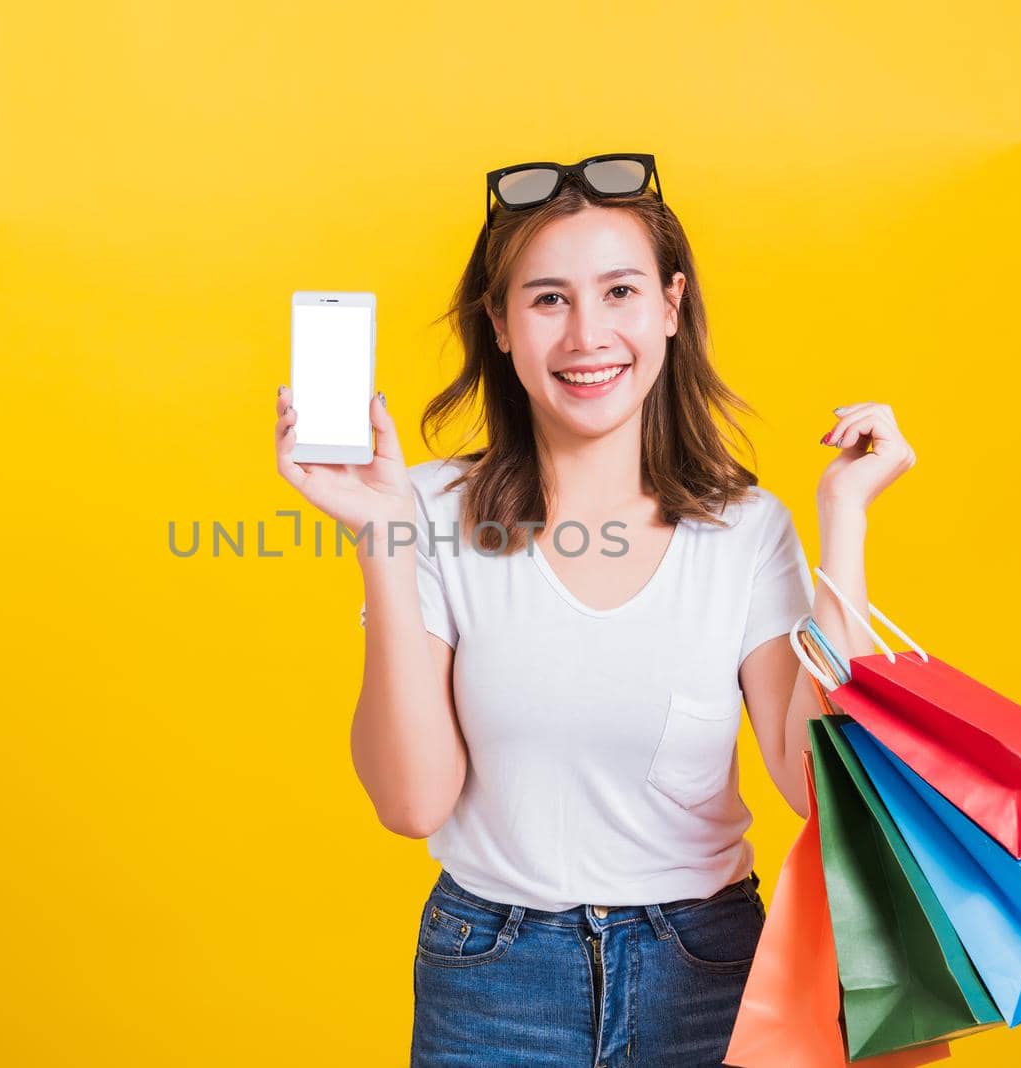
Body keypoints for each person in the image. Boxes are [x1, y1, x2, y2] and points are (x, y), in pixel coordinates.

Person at [272, 152, 916, 1067]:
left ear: (670, 305)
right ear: (497, 324)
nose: (587, 336)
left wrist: (842, 521)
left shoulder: (744, 528)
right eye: (547, 299)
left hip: (708, 971)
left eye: (619, 292)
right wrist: (381, 537)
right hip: (492, 978)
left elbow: (817, 786)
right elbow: (413, 802)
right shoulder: (423, 510)